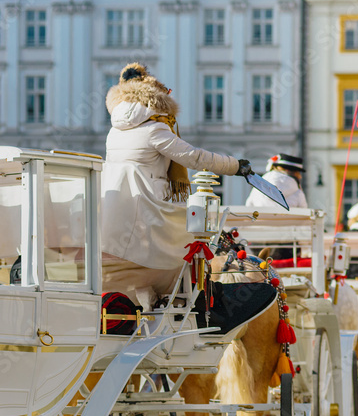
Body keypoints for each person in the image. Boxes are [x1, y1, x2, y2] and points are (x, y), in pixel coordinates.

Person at [101, 62, 250, 309]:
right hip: (148, 207)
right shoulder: (154, 129)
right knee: (195, 235)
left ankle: (151, 300)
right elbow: (195, 157)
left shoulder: (114, 131)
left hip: (116, 211)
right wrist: (235, 166)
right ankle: (186, 302)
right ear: (156, 101)